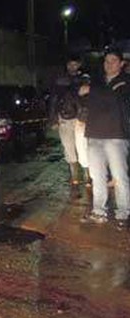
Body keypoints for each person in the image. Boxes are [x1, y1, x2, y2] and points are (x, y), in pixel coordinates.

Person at [80, 49, 130, 231]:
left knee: (119, 176)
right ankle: (98, 211)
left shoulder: (125, 81)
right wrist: (94, 92)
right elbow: (85, 98)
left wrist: (92, 92)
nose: (109, 64)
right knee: (97, 176)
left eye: (113, 60)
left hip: (116, 135)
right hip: (94, 134)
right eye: (106, 61)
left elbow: (116, 98)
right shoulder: (98, 81)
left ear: (121, 63)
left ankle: (123, 212)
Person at [49, 55, 91, 192]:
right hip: (65, 118)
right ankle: (74, 176)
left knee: (83, 147)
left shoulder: (85, 78)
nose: (72, 67)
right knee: (68, 148)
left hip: (81, 119)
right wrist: (54, 119)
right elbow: (53, 100)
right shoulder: (60, 79)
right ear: (67, 65)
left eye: (75, 64)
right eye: (70, 64)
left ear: (79, 64)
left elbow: (89, 98)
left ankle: (87, 176)